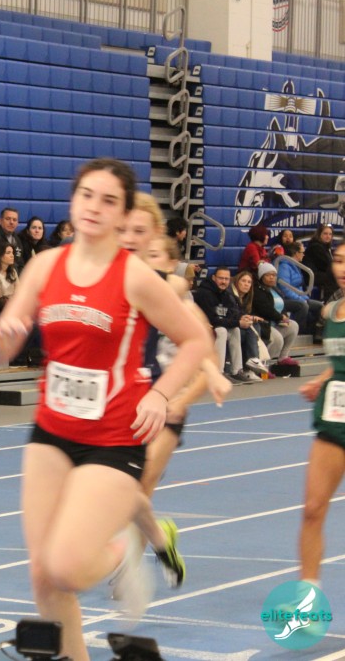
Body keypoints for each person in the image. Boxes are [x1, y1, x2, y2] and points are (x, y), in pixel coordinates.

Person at [0, 158, 209, 661]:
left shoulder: (135, 277)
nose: (94, 207)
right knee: (42, 574)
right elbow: (1, 347)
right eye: (86, 195)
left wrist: (160, 394)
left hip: (113, 438)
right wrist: (1, 339)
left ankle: (124, 550)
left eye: (108, 201)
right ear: (73, 201)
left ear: (123, 214)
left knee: (66, 567)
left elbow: (196, 340)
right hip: (51, 432)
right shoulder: (45, 266)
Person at [117, 194, 230, 590]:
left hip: (168, 407)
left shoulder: (182, 301)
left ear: (169, 262)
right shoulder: (135, 293)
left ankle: (129, 568)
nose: (147, 260)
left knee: (139, 485)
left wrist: (186, 396)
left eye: (155, 256)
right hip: (130, 399)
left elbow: (204, 355)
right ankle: (160, 538)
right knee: (125, 490)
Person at [298, 239, 345, 591]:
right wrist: (323, 378)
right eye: (339, 260)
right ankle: (307, 597)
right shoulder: (331, 311)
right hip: (334, 417)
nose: (343, 268)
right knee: (313, 509)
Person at [192, 266, 257, 383]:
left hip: (217, 325)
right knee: (221, 330)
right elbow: (212, 320)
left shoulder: (226, 294)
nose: (224, 282)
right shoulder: (204, 293)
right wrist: (238, 322)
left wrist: (241, 317)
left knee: (235, 330)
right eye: (221, 278)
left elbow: (231, 314)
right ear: (213, 278)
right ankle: (218, 372)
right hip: (202, 328)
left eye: (226, 279)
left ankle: (237, 371)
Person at [255, 262, 300, 368]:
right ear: (261, 276)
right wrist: (280, 318)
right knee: (278, 339)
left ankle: (283, 357)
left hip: (275, 322)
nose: (272, 277)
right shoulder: (257, 290)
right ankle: (263, 365)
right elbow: (265, 309)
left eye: (274, 275)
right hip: (263, 324)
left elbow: (281, 305)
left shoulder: (275, 289)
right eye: (268, 275)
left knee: (293, 325)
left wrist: (284, 316)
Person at [230, 270, 269, 377]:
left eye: (249, 282)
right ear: (237, 282)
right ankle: (253, 361)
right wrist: (247, 317)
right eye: (243, 281)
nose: (246, 284)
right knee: (252, 327)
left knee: (254, 325)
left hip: (239, 326)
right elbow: (232, 313)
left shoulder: (246, 298)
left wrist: (249, 318)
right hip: (231, 327)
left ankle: (252, 365)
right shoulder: (230, 295)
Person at [277, 241, 323, 333]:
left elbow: (299, 287)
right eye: (302, 252)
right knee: (303, 306)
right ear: (296, 253)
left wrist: (304, 298)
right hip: (286, 299)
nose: (303, 255)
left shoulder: (296, 266)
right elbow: (285, 289)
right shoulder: (284, 267)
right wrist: (301, 299)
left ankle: (314, 333)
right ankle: (299, 333)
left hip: (299, 297)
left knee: (320, 306)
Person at [303, 223, 335, 299]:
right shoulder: (316, 247)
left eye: (330, 234)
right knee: (334, 278)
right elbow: (325, 265)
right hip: (312, 276)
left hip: (318, 274)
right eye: (325, 234)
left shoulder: (325, 247)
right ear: (319, 234)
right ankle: (330, 301)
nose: (328, 236)